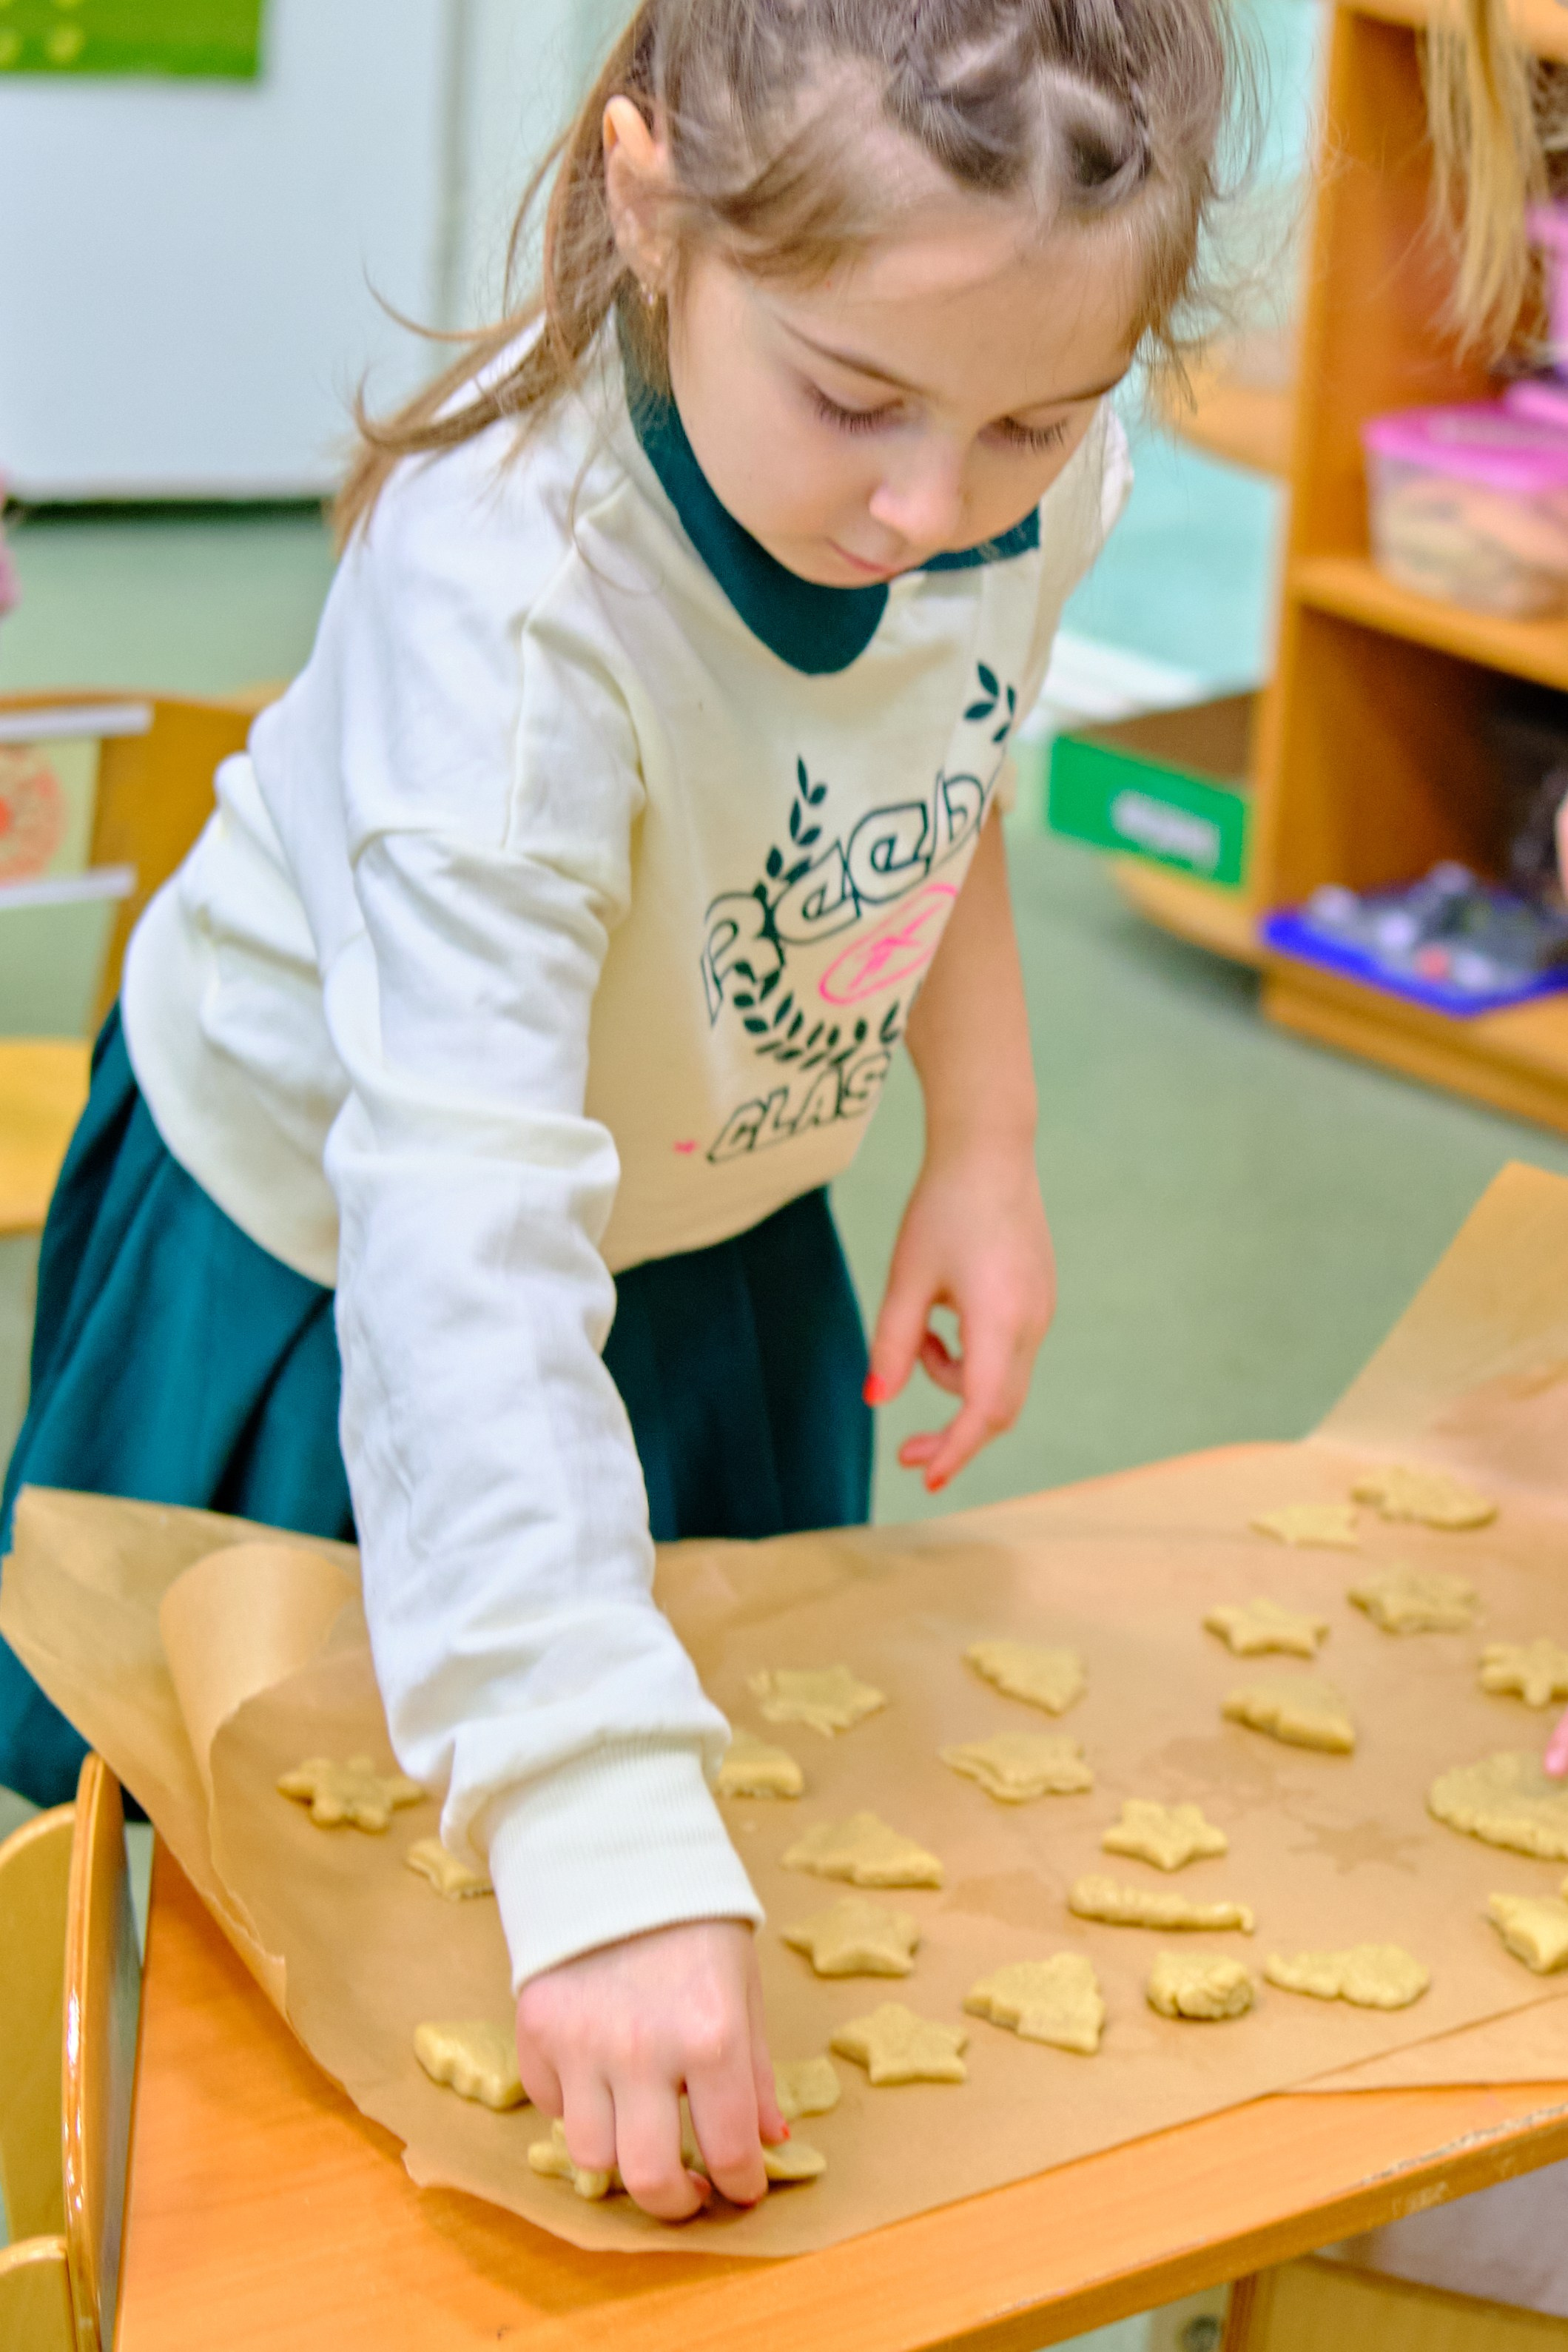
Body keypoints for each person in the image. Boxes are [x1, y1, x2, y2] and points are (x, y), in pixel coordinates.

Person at [1, 0, 1243, 2219]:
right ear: (652, 192)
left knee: (718, 1782)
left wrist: (987, 1137)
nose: (928, 506)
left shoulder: (994, 453)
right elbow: (461, 1245)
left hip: (706, 1206)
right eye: (854, 396)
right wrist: (585, 1810)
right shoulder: (511, 603)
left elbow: (934, 764)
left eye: (1036, 426)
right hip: (334, 1255)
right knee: (277, 1923)